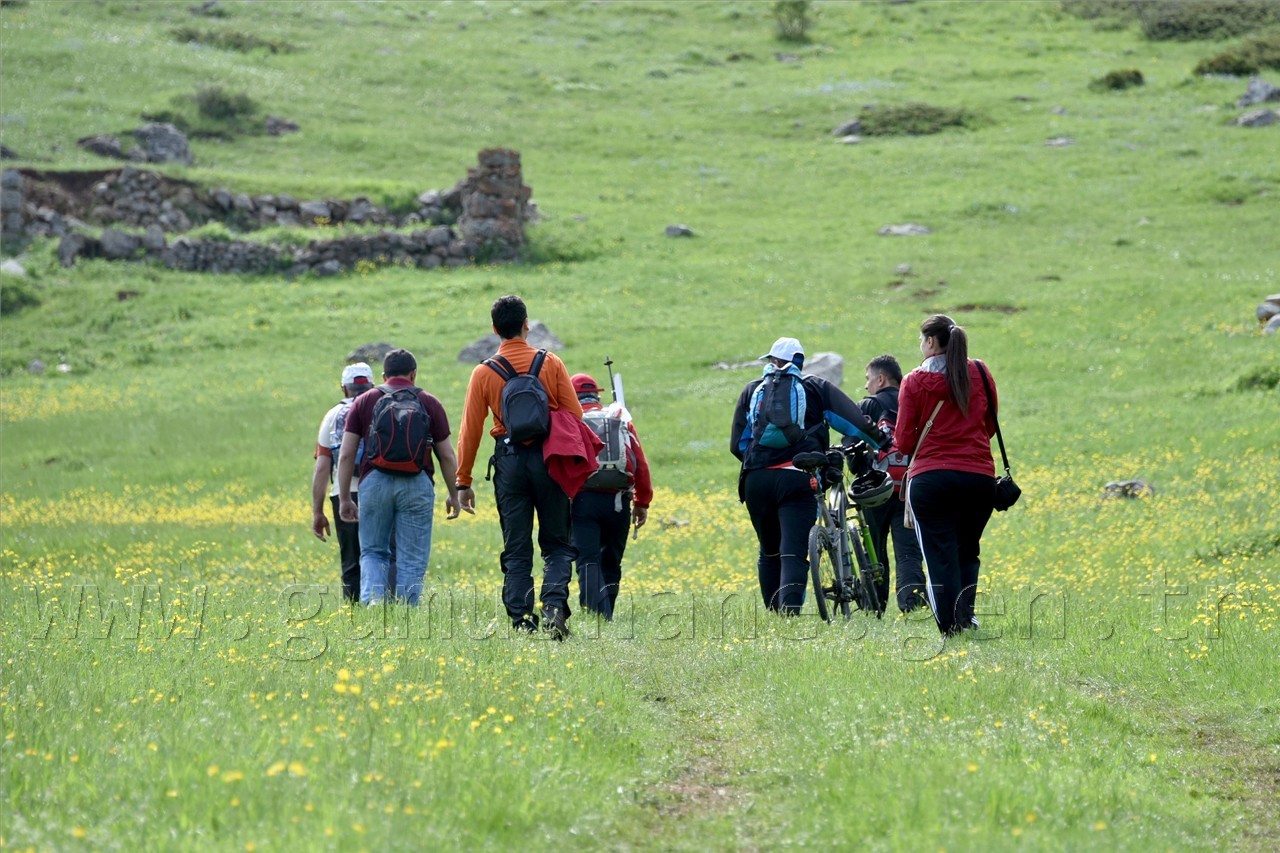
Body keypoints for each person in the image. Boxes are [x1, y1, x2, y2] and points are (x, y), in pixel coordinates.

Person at [455, 295, 583, 639]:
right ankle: (555, 606)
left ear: (495, 329)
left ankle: (522, 620)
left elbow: (470, 430)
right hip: (549, 459)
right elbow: (575, 416)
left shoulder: (483, 372)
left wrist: (463, 481)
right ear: (526, 325)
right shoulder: (550, 362)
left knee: (517, 544)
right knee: (556, 542)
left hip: (509, 461)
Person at [730, 337, 887, 615]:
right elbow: (854, 421)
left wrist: (762, 463)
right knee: (792, 551)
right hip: (799, 477)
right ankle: (789, 614)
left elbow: (738, 445)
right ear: (800, 362)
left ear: (772, 361)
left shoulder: (752, 390)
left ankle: (774, 616)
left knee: (769, 551)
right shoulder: (815, 387)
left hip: (756, 481)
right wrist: (881, 442)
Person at [895, 314, 999, 636]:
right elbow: (991, 424)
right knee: (968, 549)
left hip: (932, 479)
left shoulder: (914, 380)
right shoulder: (979, 372)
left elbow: (904, 441)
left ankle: (950, 628)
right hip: (979, 477)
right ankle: (966, 617)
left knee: (940, 556)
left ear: (929, 342)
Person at [336, 348, 462, 606]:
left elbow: (347, 455)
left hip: (374, 482)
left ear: (383, 375)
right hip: (417, 484)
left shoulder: (363, 401)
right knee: (411, 558)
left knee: (372, 552)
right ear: (413, 374)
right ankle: (405, 614)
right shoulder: (430, 402)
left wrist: (346, 498)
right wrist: (454, 493)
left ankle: (374, 607)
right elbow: (447, 455)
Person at [569, 372, 652, 621]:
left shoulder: (572, 419)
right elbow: (641, 464)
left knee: (587, 560)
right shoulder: (620, 417)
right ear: (597, 394)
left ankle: (598, 616)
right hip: (618, 502)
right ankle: (607, 615)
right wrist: (642, 502)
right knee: (612, 562)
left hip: (582, 502)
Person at [310, 362, 396, 602]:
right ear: (372, 384)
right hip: (381, 490)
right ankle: (389, 607)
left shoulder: (332, 416)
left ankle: (355, 612)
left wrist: (318, 511)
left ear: (343, 389)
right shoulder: (384, 406)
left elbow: (321, 467)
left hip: (345, 492)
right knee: (386, 554)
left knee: (351, 559)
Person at [856, 354, 926, 615]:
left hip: (876, 489)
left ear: (881, 379)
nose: (866, 385)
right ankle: (913, 605)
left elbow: (851, 443)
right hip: (908, 489)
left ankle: (873, 608)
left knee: (873, 550)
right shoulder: (914, 402)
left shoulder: (868, 405)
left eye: (868, 379)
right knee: (908, 551)